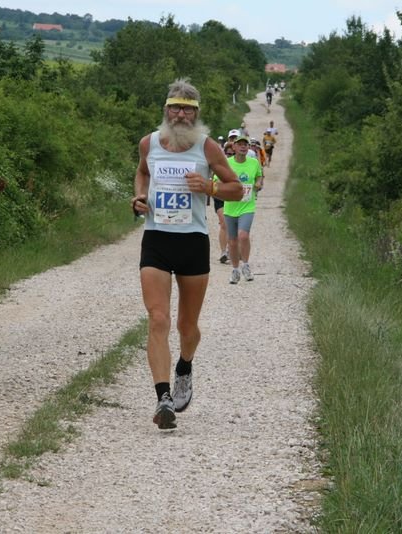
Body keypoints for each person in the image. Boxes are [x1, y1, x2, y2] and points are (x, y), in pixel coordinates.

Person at [131, 78, 242, 430]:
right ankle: (163, 397)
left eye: (188, 110)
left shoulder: (208, 148)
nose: (181, 115)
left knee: (186, 325)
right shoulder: (149, 143)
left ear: (195, 115)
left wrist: (209, 187)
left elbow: (237, 189)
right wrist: (139, 197)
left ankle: (185, 366)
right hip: (157, 239)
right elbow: (142, 173)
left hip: (193, 240)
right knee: (158, 319)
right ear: (166, 110)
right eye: (176, 108)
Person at [223, 134, 264, 284]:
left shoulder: (254, 163)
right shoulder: (226, 163)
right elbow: (216, 180)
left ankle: (245, 265)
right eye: (240, 144)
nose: (243, 146)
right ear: (233, 147)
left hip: (247, 205)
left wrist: (258, 183)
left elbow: (259, 176)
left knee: (243, 236)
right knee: (232, 241)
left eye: (245, 145)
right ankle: (235, 270)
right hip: (230, 206)